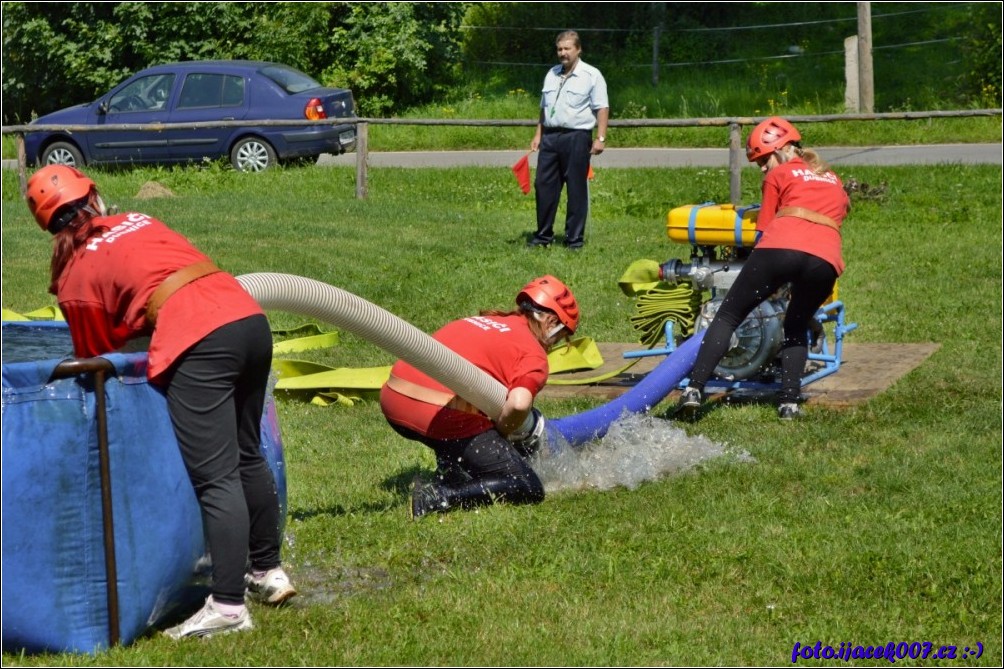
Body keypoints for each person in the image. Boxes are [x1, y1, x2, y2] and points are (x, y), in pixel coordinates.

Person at [25, 165, 296, 639]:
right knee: (247, 452)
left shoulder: (76, 277)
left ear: (47, 227)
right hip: (248, 320)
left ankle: (228, 607)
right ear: (94, 196)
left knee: (216, 478)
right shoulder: (139, 219)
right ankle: (267, 571)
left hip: (201, 339)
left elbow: (95, 363)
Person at [676, 117, 850, 420]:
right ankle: (789, 403)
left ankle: (694, 389)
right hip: (826, 259)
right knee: (796, 325)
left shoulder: (780, 173)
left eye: (762, 159)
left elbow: (764, 228)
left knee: (729, 315)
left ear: (781, 149)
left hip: (780, 247)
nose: (761, 167)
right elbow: (840, 212)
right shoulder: (832, 178)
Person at [379, 275, 580, 518]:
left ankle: (451, 470)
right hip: (435, 413)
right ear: (551, 321)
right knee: (526, 485)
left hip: (393, 397)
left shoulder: (481, 321)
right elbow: (518, 404)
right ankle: (439, 496)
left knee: (466, 418)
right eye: (561, 335)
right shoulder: (534, 353)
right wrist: (504, 433)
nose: (555, 343)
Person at [528, 30, 609, 250]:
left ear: (578, 49)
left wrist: (600, 138)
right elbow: (544, 108)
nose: (563, 53)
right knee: (543, 185)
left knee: (576, 189)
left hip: (577, 137)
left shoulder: (591, 75)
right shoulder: (551, 74)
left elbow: (602, 108)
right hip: (551, 137)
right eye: (559, 49)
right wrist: (538, 134)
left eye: (567, 48)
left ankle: (574, 240)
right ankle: (543, 236)